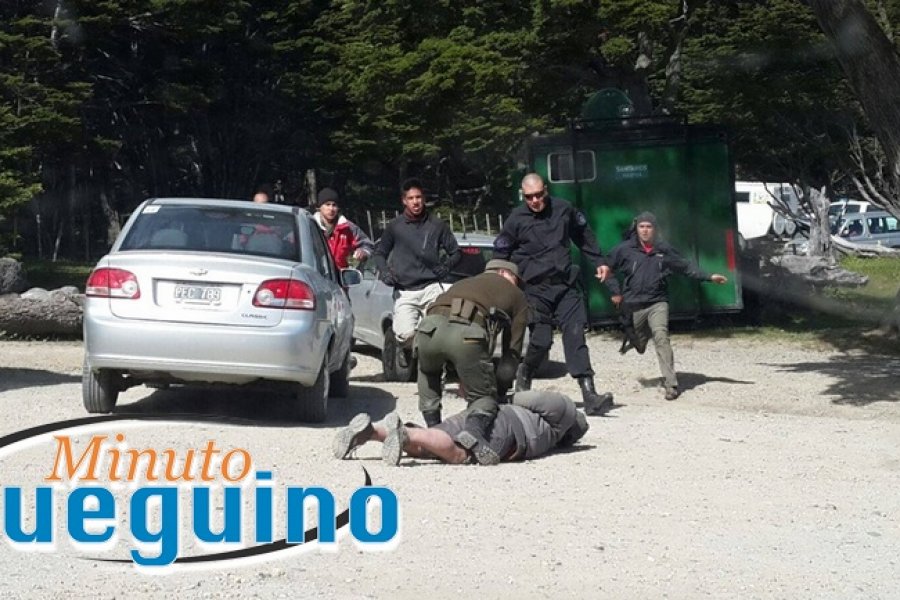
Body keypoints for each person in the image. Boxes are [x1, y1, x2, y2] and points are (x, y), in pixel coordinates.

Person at [493, 172, 614, 415]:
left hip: (565, 285)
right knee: (541, 341)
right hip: (534, 289)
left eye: (539, 195)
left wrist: (599, 261)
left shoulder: (564, 209)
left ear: (546, 190)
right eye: (530, 197)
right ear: (523, 196)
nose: (535, 200)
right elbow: (501, 253)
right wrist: (502, 277)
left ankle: (589, 394)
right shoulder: (516, 219)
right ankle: (525, 373)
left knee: (576, 335)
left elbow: (583, 236)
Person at [414, 259, 530, 465]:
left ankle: (433, 431)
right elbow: (512, 351)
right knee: (483, 397)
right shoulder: (517, 295)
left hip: (427, 329)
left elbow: (445, 334)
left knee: (428, 373)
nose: (517, 284)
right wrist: (499, 390)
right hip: (466, 334)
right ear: (503, 273)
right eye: (516, 279)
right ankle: (473, 432)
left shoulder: (465, 283)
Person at [604, 211, 728, 400]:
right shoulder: (624, 249)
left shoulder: (664, 250)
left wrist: (709, 277)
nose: (645, 230)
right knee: (640, 346)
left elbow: (685, 267)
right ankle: (636, 340)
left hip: (657, 302)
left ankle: (671, 385)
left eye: (649, 227)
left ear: (655, 229)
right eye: (641, 227)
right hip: (633, 304)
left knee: (661, 336)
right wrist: (615, 292)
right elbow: (606, 269)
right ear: (636, 229)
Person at [332, 390, 590, 466]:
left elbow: (521, 398)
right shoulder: (554, 427)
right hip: (507, 431)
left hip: (487, 413)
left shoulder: (559, 413)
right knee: (460, 453)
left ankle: (372, 432)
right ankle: (406, 433)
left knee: (435, 441)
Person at [372, 178, 461, 367]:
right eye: (411, 198)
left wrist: (446, 267)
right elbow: (379, 253)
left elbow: (456, 252)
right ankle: (409, 349)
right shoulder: (395, 226)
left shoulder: (437, 225)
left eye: (419, 197)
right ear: (404, 201)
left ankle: (432, 366)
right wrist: (385, 272)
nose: (415, 202)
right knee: (404, 334)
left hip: (431, 288)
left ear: (424, 199)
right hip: (405, 290)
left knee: (439, 331)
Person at [312, 187, 374, 269]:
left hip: (342, 275)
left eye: (334, 205)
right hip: (315, 274)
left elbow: (368, 245)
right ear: (319, 207)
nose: (331, 209)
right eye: (327, 204)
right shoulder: (311, 226)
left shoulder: (348, 227)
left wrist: (363, 252)